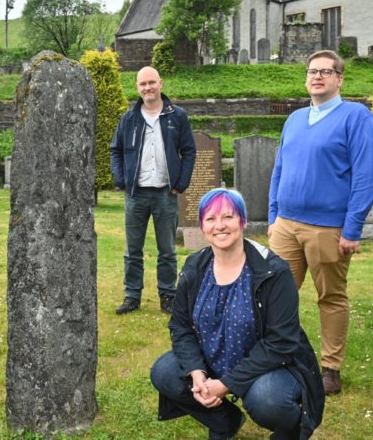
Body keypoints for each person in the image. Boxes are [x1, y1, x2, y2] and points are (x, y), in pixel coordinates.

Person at [150, 188, 325, 439]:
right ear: (202, 226)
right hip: (213, 359)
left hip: (269, 367)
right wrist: (197, 372)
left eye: (228, 217)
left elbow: (281, 342)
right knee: (164, 373)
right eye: (210, 219)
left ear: (242, 221)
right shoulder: (195, 267)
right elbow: (181, 326)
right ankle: (224, 422)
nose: (219, 226)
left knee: (267, 399)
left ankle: (291, 432)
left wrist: (226, 384)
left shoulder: (273, 271)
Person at [268, 50, 373, 395]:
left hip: (328, 228)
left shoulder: (356, 117)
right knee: (274, 295)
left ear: (339, 79)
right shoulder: (295, 119)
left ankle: (330, 368)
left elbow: (366, 175)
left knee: (330, 297)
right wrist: (273, 217)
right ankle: (277, 357)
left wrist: (352, 228)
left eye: (325, 72)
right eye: (312, 71)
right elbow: (279, 170)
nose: (317, 77)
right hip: (286, 225)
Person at [110, 66, 196, 314]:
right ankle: (132, 295)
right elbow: (116, 150)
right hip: (135, 194)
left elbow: (189, 151)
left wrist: (181, 183)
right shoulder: (129, 118)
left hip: (165, 194)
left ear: (161, 83)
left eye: (151, 82)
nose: (147, 88)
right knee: (132, 250)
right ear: (137, 88)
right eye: (142, 84)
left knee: (167, 250)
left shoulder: (177, 116)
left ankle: (168, 296)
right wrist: (121, 180)